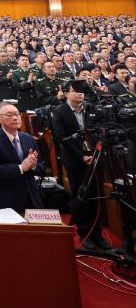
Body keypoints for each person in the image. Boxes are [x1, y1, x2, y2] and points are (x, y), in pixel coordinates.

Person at [52, 80, 110, 250]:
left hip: (95, 157)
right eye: (76, 91)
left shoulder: (90, 108)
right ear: (66, 93)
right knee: (80, 194)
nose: (80, 93)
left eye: (82, 91)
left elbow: (101, 131)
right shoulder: (59, 111)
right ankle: (84, 231)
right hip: (75, 159)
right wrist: (82, 156)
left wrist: (95, 153)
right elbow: (61, 138)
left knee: (96, 193)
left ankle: (97, 232)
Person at [0, 103, 44, 211]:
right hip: (8, 198)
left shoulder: (28, 138)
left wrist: (34, 166)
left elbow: (41, 166)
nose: (15, 118)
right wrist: (21, 168)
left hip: (32, 197)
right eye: (9, 115)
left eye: (17, 114)